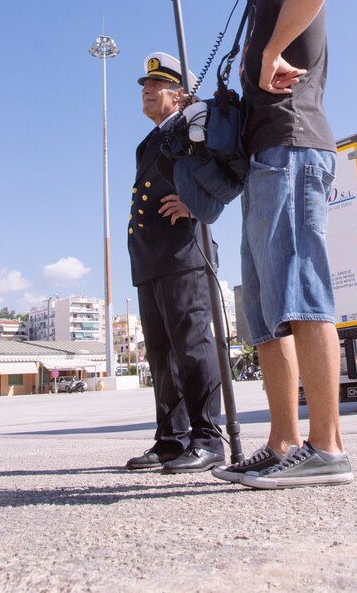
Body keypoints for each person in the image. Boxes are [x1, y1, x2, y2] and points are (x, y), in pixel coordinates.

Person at [206, 0, 352, 488]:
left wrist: (269, 56)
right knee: (266, 314)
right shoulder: (256, 0)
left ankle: (328, 447)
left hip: (293, 149)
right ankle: (284, 441)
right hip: (266, 160)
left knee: (302, 290)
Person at [125, 52, 224, 473]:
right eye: (145, 86)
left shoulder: (193, 127)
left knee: (192, 346)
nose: (146, 91)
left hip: (185, 252)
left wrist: (196, 204)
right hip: (151, 256)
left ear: (178, 93)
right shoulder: (149, 141)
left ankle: (207, 439)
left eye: (156, 85)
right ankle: (171, 440)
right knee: (162, 354)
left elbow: (224, 170)